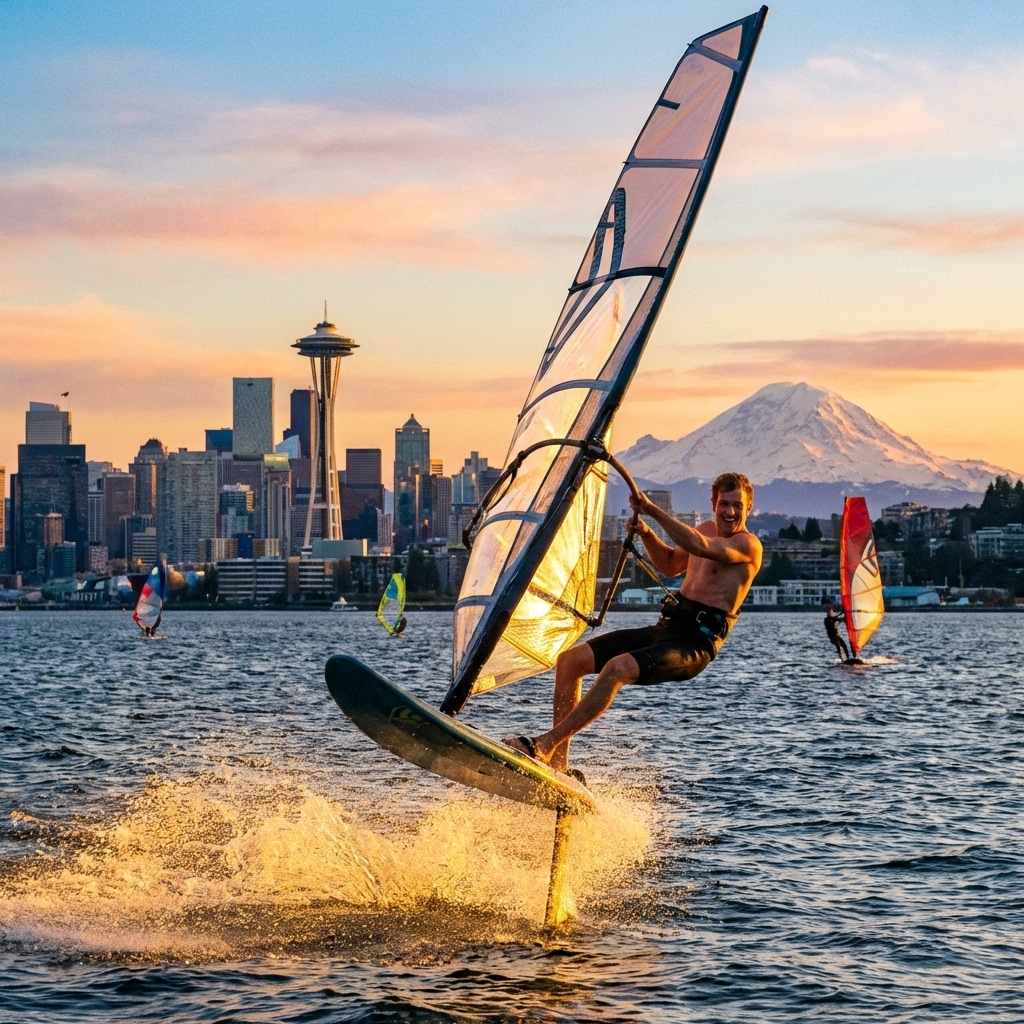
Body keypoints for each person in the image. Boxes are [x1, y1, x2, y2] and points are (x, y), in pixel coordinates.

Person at [505, 472, 763, 772]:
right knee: (569, 662)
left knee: (618, 668)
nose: (730, 512)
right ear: (713, 503)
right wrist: (646, 534)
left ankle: (543, 745)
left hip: (694, 645)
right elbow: (669, 565)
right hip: (666, 629)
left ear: (749, 507)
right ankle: (559, 766)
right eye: (724, 504)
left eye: (737, 505)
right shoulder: (705, 528)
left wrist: (651, 510)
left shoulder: (749, 546)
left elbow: (703, 547)